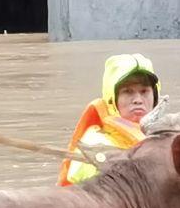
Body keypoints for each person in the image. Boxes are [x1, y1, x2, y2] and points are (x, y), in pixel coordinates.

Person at [59, 53, 161, 186]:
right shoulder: (93, 143)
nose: (138, 100)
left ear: (155, 95)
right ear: (112, 99)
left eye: (144, 91)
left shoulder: (166, 138)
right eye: (128, 91)